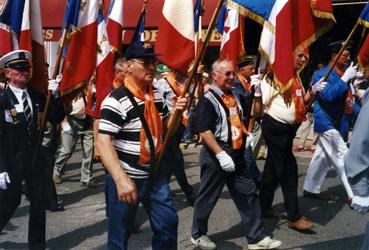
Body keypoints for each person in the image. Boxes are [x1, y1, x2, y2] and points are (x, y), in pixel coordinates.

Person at [97, 42, 188, 249]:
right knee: (119, 235)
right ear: (128, 66)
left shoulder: (155, 95)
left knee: (168, 223)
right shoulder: (115, 100)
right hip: (127, 176)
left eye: (153, 62)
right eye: (145, 62)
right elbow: (103, 141)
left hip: (155, 174)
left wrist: (176, 113)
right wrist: (121, 180)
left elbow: (166, 130)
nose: (152, 67)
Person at [191, 59, 281, 250]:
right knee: (208, 196)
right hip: (216, 154)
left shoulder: (236, 96)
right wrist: (221, 154)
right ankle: (198, 234)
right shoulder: (207, 100)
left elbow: (253, 114)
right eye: (228, 74)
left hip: (238, 153)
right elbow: (205, 131)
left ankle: (256, 237)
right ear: (214, 76)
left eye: (233, 73)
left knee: (248, 193)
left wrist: (256, 95)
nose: (232, 77)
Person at [0, 50, 64, 249]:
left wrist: (55, 96)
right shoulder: (2, 100)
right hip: (11, 160)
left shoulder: (37, 95)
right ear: (7, 73)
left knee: (39, 204)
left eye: (26, 68)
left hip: (35, 158)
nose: (24, 72)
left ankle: (37, 245)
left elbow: (55, 116)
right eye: (18, 69)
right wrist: (0, 167)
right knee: (9, 203)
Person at [257, 46, 325, 230]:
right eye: (299, 56)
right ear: (289, 56)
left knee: (272, 170)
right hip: (276, 127)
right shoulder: (274, 76)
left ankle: (263, 206)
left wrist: (313, 91)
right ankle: (294, 217)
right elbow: (258, 105)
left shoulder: (295, 78)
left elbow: (301, 101)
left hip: (288, 129)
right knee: (289, 171)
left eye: (305, 57)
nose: (303, 60)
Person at [303, 41, 357, 202]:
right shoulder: (322, 75)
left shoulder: (342, 75)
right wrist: (344, 79)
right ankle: (354, 195)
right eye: (345, 55)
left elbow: (348, 103)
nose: (348, 59)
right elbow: (327, 96)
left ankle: (310, 189)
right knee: (343, 155)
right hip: (324, 122)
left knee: (322, 157)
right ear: (335, 56)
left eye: (349, 56)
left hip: (337, 122)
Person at [154, 68, 196, 206]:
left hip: (181, 124)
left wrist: (199, 79)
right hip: (167, 125)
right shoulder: (162, 83)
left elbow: (195, 96)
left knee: (169, 160)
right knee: (176, 160)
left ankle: (163, 187)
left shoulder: (185, 83)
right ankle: (189, 192)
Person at [53, 91, 96, 187]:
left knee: (89, 152)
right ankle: (56, 170)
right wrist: (64, 122)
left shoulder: (92, 90)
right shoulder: (72, 88)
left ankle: (86, 178)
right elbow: (62, 106)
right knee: (67, 150)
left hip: (88, 122)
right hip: (71, 121)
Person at [232, 55, 262, 187]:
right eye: (251, 69)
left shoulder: (250, 82)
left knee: (246, 156)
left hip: (250, 123)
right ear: (242, 70)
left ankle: (255, 181)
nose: (253, 71)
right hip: (238, 126)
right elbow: (240, 105)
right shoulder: (236, 84)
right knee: (247, 156)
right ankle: (258, 182)